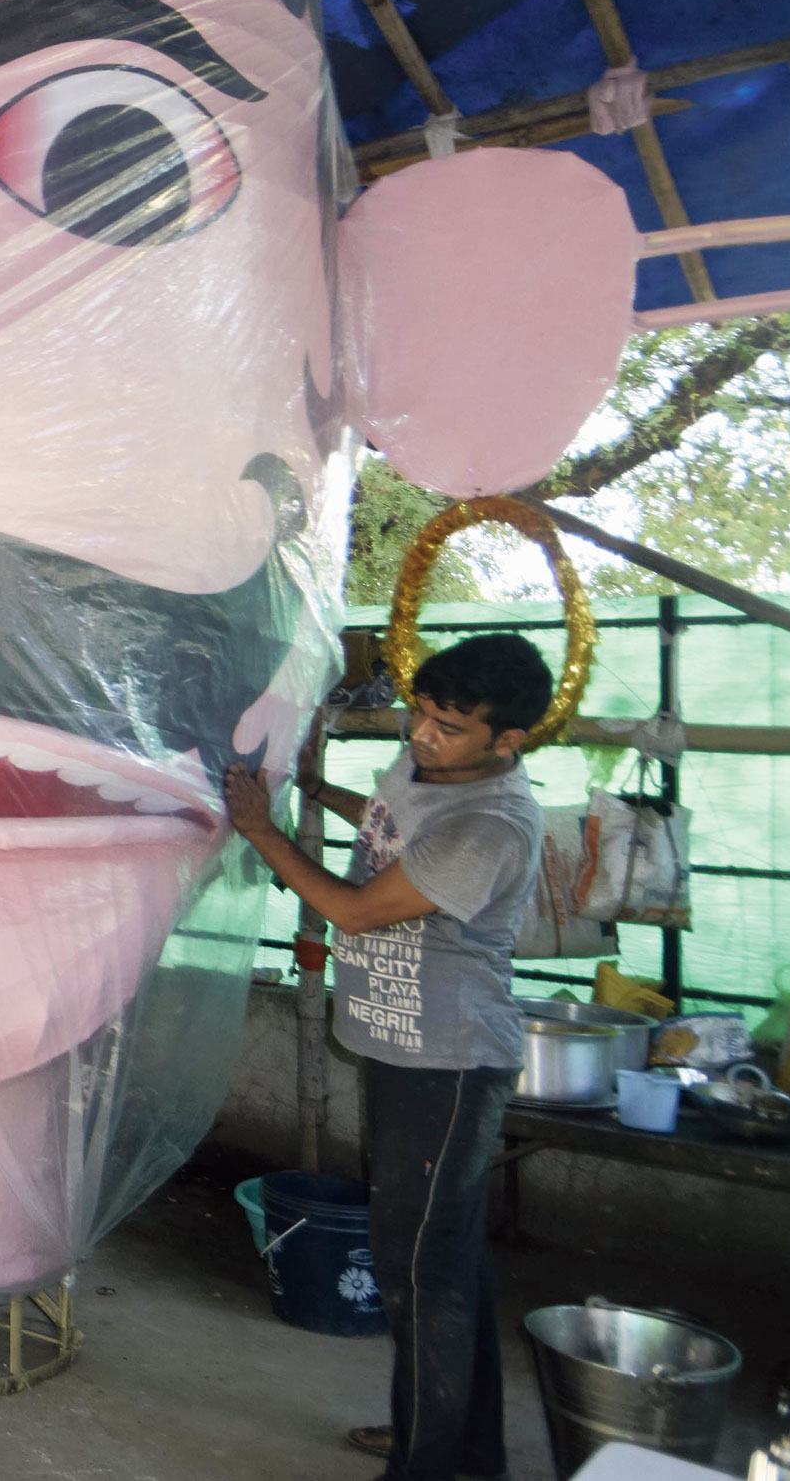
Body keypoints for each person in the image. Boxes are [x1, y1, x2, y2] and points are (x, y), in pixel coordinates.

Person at [225, 633, 553, 1481]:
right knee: (446, 1262)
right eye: (420, 713)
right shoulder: (428, 768)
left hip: (447, 1065)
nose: (422, 735)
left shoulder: (490, 825)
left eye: (449, 727)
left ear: (508, 740)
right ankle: (462, 1449)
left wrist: (261, 830)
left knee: (419, 1273)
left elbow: (356, 908)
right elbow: (390, 833)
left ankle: (426, 1464)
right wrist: (318, 787)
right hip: (404, 1047)